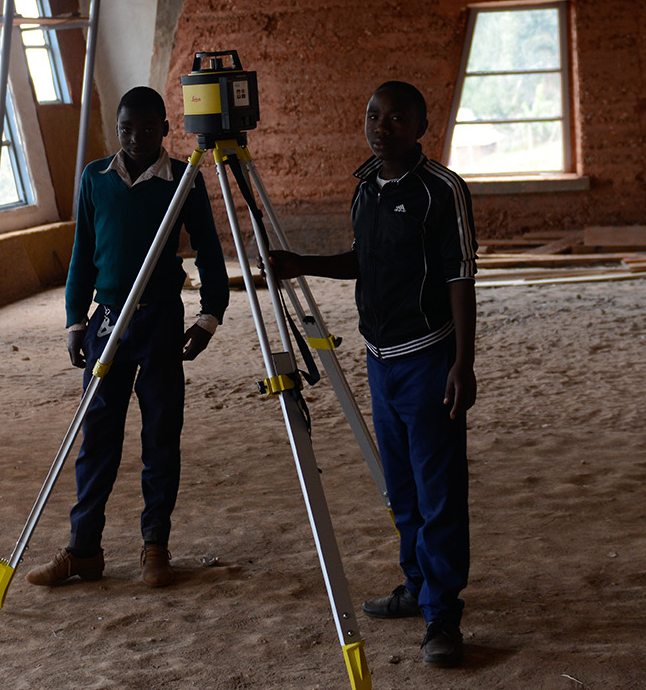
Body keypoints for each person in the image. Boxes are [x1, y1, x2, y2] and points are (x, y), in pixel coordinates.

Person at [268, 81, 477, 669]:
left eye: (396, 118)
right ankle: (416, 586)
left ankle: (443, 616)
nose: (381, 127)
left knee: (438, 492)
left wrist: (463, 363)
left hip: (429, 358)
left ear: (421, 127)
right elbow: (365, 260)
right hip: (379, 361)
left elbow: (461, 277)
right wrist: (302, 264)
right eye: (373, 116)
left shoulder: (442, 190)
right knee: (401, 488)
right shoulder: (365, 187)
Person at [26, 86, 229, 590]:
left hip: (160, 321)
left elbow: (209, 250)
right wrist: (75, 321)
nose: (136, 137)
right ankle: (83, 549)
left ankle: (155, 546)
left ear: (166, 129)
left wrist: (209, 317)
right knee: (97, 434)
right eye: (125, 128)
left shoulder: (183, 179)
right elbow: (82, 252)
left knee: (161, 432)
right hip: (107, 322)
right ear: (115, 129)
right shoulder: (95, 178)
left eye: (147, 128)